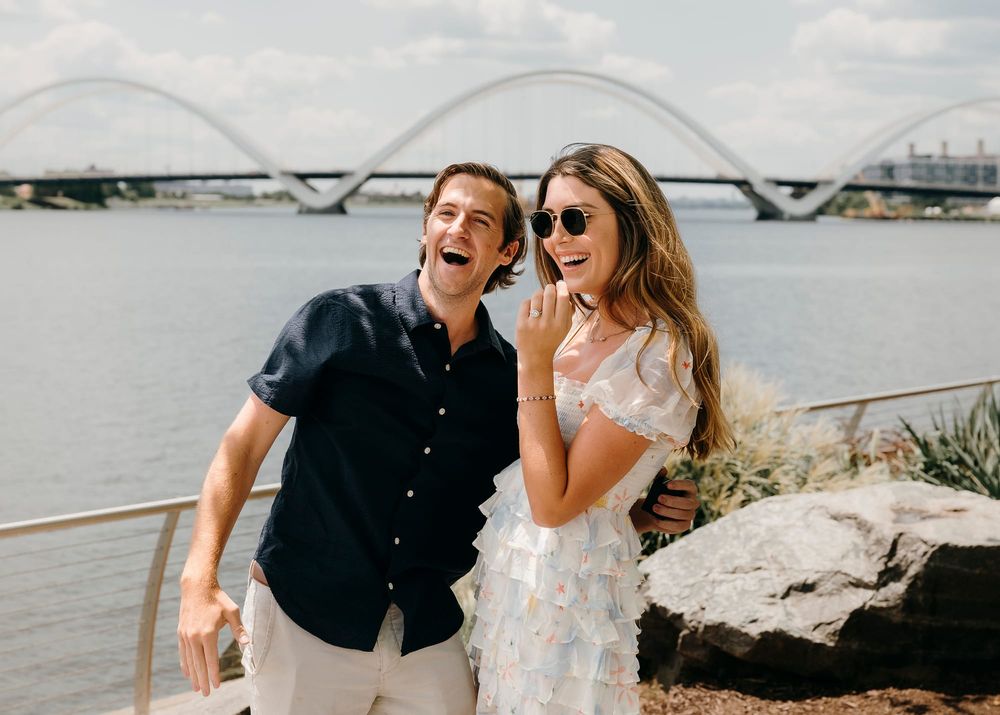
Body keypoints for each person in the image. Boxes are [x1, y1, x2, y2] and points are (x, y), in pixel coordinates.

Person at [176, 161, 699, 714]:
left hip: (426, 633)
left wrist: (634, 510)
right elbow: (242, 448)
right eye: (446, 213)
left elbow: (533, 492)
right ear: (425, 229)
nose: (458, 229)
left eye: (479, 220)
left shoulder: (515, 377)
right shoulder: (339, 321)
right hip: (306, 617)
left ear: (508, 252)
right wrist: (198, 581)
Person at [468, 144, 732, 714]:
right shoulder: (576, 324)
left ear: (633, 222)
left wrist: (532, 363)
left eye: (576, 219)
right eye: (545, 221)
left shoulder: (656, 354)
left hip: (572, 615)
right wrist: (636, 507)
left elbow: (555, 505)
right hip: (519, 593)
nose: (557, 237)